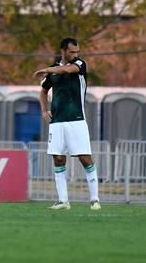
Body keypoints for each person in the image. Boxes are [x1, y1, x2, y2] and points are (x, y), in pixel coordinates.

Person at [33, 38, 100, 211]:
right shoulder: (54, 69)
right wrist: (44, 110)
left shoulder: (79, 64)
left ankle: (94, 199)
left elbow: (66, 69)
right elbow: (43, 90)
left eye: (77, 51)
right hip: (57, 122)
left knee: (84, 158)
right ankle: (63, 201)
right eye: (72, 51)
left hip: (76, 119)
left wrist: (47, 69)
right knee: (58, 158)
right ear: (63, 50)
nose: (75, 54)